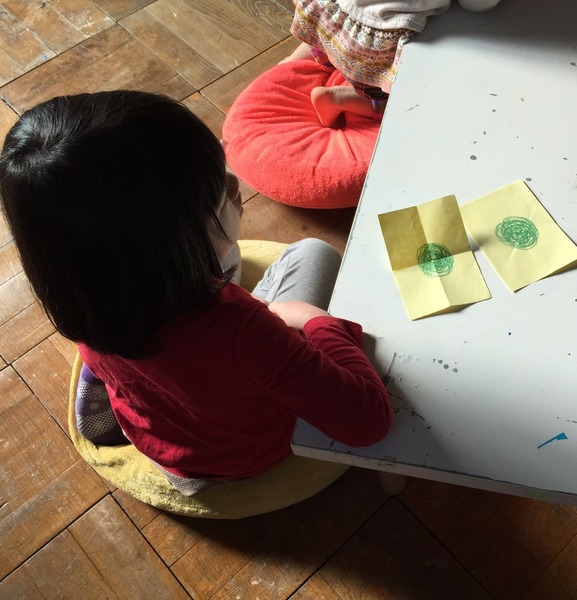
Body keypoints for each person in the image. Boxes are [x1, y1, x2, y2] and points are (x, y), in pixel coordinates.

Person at [0, 90, 392, 495]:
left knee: (226, 258)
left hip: (164, 441)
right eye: (219, 197)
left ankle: (107, 387)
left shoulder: (80, 293)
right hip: (248, 456)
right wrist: (315, 320)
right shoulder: (245, 330)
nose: (236, 186)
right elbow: (368, 421)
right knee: (314, 253)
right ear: (169, 245)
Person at [287, 0, 501, 127]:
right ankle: (337, 99)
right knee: (404, 104)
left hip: (325, 11)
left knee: (334, 26)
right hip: (367, 47)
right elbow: (477, 5)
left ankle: (300, 59)